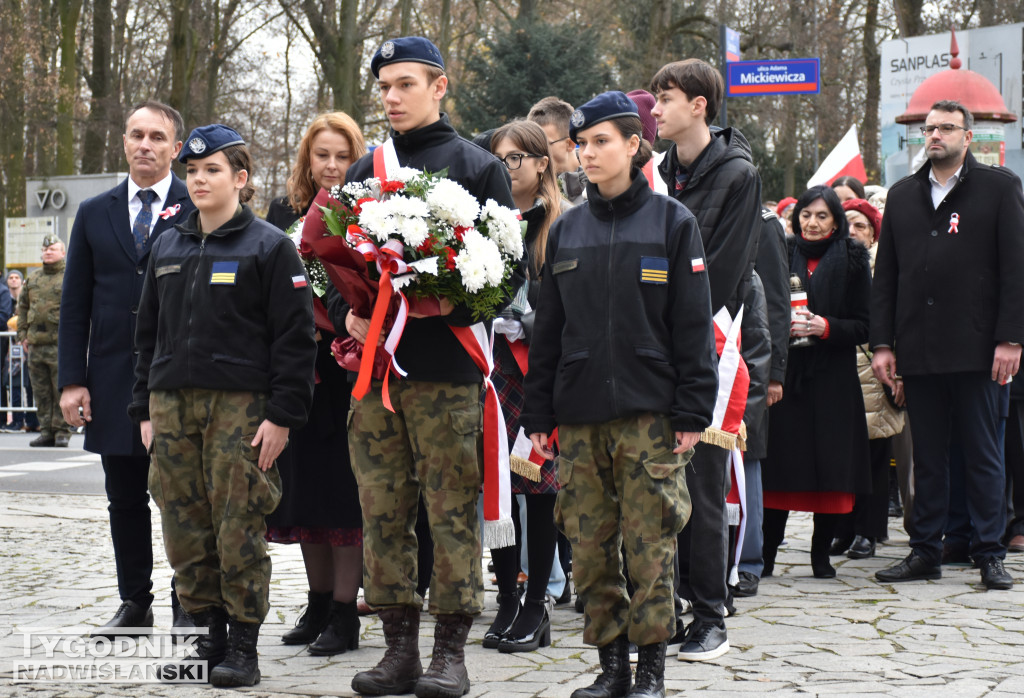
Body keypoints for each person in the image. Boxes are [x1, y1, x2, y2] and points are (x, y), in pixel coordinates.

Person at [328, 36, 517, 698]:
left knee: (449, 511)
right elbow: (328, 263)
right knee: (381, 508)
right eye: (383, 86)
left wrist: (444, 295)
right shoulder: (363, 172)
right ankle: (398, 649)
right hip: (378, 375)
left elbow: (503, 276)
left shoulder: (478, 167)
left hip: (446, 372)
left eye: (405, 84)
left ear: (440, 86)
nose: (391, 96)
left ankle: (451, 652)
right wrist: (348, 311)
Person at [523, 90, 718, 698]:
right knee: (589, 545)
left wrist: (692, 407)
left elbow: (692, 323)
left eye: (601, 141)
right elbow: (547, 328)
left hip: (650, 415)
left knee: (651, 545)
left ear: (635, 145)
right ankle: (610, 667)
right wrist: (538, 414)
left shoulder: (671, 222)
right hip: (579, 416)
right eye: (580, 144)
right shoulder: (567, 229)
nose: (588, 154)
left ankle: (651, 670)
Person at [130, 124, 316, 686]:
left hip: (241, 409)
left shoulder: (268, 246)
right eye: (191, 172)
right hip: (171, 407)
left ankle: (242, 648)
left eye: (212, 170)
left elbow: (295, 339)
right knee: (184, 527)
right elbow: (146, 335)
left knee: (238, 526)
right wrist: (143, 408)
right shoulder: (167, 244)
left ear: (240, 178)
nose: (200, 180)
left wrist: (283, 415)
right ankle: (205, 638)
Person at [871, 99, 1024, 591]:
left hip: (980, 350)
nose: (935, 135)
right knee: (928, 456)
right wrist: (882, 345)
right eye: (929, 128)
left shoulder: (999, 189)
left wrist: (1011, 338)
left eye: (946, 128)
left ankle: (988, 552)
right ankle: (925, 550)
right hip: (918, 348)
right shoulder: (902, 196)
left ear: (967, 136)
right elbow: (886, 278)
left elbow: (1015, 271)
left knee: (983, 454)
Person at [58, 100, 193, 635]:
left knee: (183, 498)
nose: (146, 145)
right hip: (113, 380)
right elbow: (76, 304)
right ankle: (134, 602)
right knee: (125, 499)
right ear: (124, 141)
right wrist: (72, 380)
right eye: (137, 134)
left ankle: (192, 601)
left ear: (175, 148)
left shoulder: (195, 204)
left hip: (179, 378)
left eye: (158, 137)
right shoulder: (95, 212)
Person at [650, 57, 762, 662]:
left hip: (709, 344)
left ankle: (710, 612)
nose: (655, 109)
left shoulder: (738, 173)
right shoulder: (659, 172)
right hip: (655, 341)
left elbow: (721, 269)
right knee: (661, 484)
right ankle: (664, 604)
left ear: (699, 105)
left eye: (666, 98)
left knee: (703, 484)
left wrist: (669, 322)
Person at [264, 112, 367, 656]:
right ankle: (319, 600)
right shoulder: (284, 213)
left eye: (342, 156)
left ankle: (346, 613)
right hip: (299, 367)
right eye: (321, 155)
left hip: (347, 366)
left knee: (342, 494)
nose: (331, 166)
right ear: (307, 158)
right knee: (304, 491)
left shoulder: (368, 212)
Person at [484, 119, 567, 653]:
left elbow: (572, 307)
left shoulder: (559, 227)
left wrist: (525, 321)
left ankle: (538, 604)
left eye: (516, 158)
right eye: (498, 159)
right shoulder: (486, 222)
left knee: (537, 491)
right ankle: (508, 600)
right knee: (497, 489)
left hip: (539, 372)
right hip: (492, 372)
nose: (506, 168)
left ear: (541, 163)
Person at [760, 186, 871, 578]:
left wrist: (826, 327)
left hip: (833, 379)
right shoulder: (781, 253)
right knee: (780, 467)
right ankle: (766, 553)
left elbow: (864, 324)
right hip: (786, 376)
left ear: (836, 221)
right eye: (807, 214)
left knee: (831, 468)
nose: (812, 222)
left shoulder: (855, 259)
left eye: (822, 216)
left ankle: (820, 554)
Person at [830, 198, 905, 561]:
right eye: (847, 224)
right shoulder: (832, 264)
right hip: (842, 374)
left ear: (874, 234)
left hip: (876, 376)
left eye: (861, 225)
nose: (854, 231)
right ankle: (841, 528)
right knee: (843, 458)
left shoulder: (886, 270)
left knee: (876, 458)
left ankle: (869, 532)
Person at [18, 236, 71, 447]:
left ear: (62, 252)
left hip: (60, 343)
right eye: (45, 249)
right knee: (40, 391)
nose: (48, 252)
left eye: (53, 249)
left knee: (60, 389)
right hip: (36, 344)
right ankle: (46, 430)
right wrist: (22, 335)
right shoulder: (33, 278)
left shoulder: (69, 276)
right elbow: (22, 308)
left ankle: (62, 431)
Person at [527, 96, 587, 205]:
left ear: (570, 144)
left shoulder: (599, 185)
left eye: (543, 144)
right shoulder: (529, 191)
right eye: (530, 145)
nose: (534, 153)